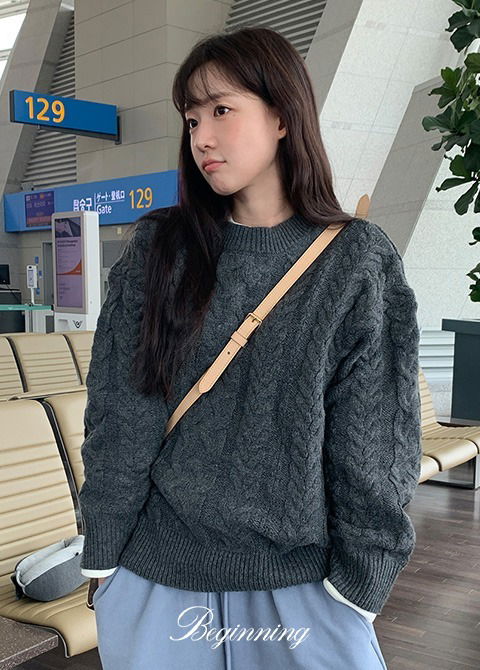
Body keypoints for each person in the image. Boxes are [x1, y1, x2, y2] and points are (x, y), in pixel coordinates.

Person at [78, 26, 422, 670]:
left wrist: (362, 581)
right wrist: (103, 551)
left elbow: (376, 439)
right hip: (156, 575)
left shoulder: (356, 261)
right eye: (191, 119)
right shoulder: (161, 250)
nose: (201, 138)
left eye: (221, 110)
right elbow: (123, 412)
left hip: (305, 585)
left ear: (283, 116)